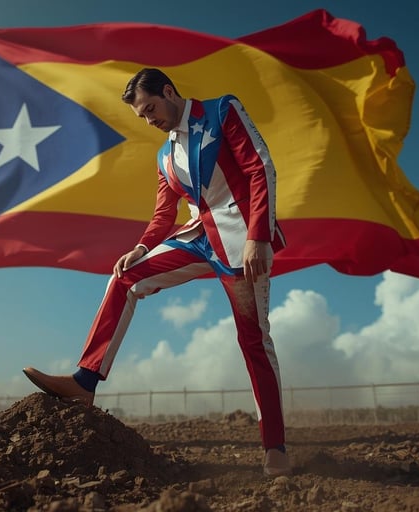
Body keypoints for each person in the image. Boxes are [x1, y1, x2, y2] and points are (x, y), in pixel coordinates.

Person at [24, 68, 290, 476]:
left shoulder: (222, 110)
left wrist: (259, 235)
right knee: (124, 276)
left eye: (150, 108)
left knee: (253, 338)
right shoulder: (164, 155)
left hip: (241, 240)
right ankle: (84, 382)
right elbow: (165, 212)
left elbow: (260, 168)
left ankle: (275, 446)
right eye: (142, 116)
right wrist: (142, 247)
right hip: (196, 236)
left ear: (168, 92)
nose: (150, 119)